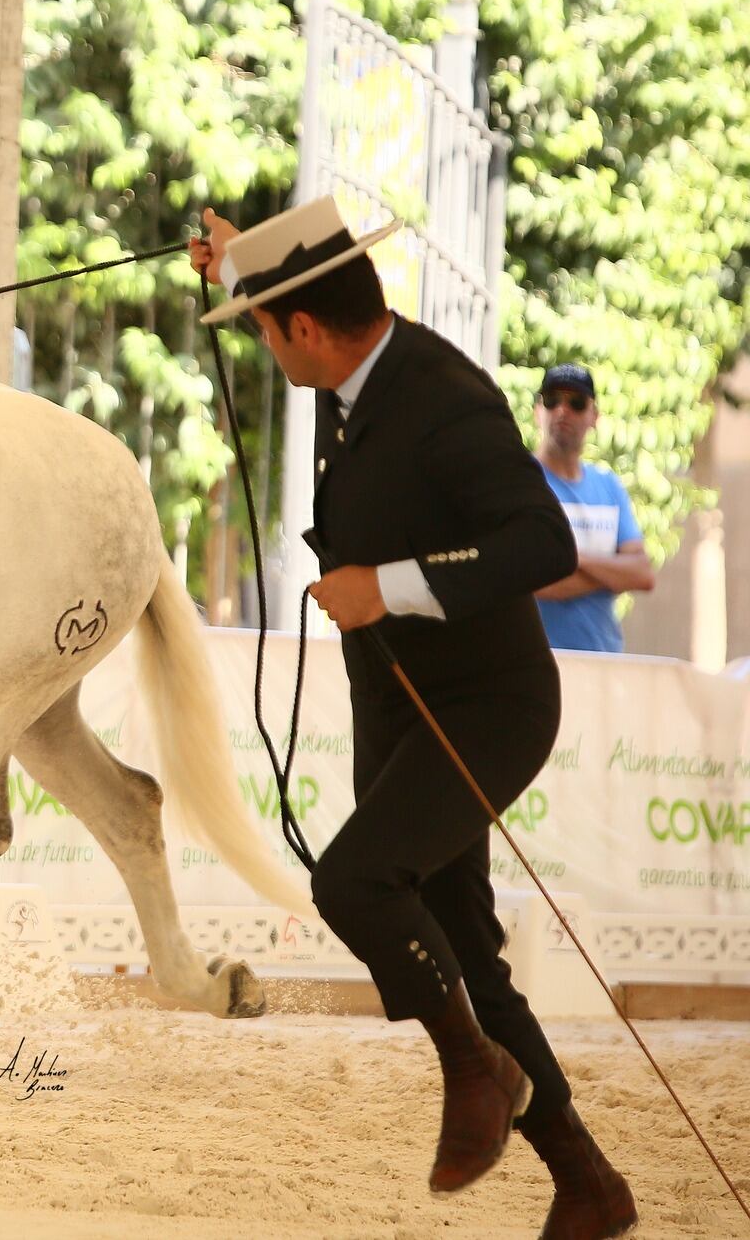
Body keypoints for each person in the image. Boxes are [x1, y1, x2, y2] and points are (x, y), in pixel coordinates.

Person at [191, 197, 635, 1240]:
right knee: (464, 952)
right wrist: (237, 270)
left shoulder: (444, 400)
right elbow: (285, 312)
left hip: (487, 707)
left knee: (352, 879)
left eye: (261, 326)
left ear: (303, 329)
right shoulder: (350, 365)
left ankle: (474, 1070)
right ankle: (585, 1181)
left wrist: (382, 586)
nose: (261, 343)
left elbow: (539, 547)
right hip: (401, 707)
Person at [531, 364, 654, 652]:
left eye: (576, 402)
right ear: (539, 410)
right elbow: (531, 581)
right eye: (552, 400)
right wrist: (611, 574)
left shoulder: (608, 485)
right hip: (540, 661)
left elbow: (641, 573)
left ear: (594, 416)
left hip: (605, 659)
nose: (563, 410)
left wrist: (573, 559)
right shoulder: (523, 481)